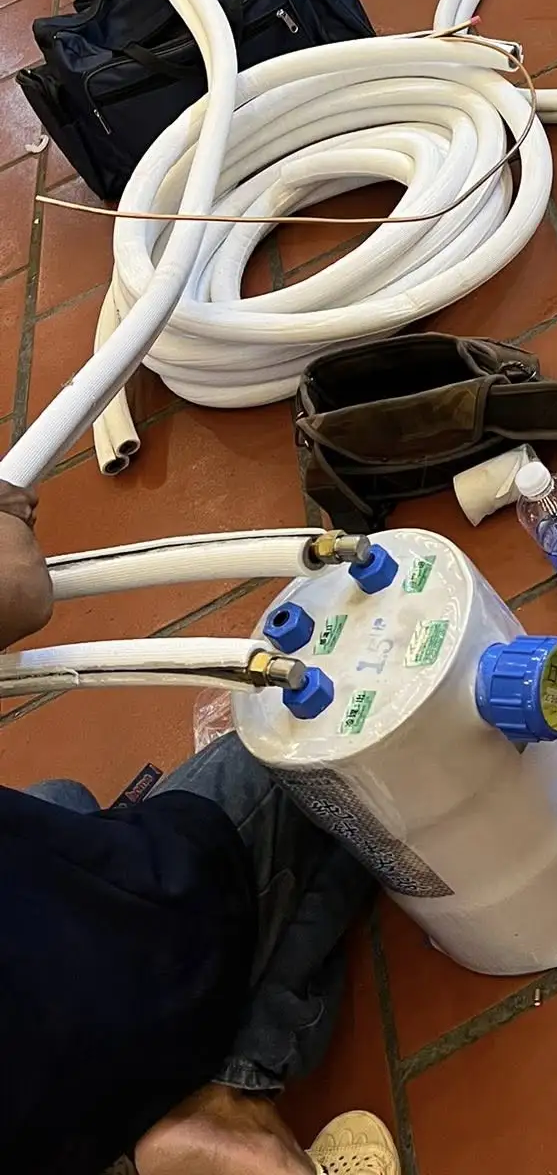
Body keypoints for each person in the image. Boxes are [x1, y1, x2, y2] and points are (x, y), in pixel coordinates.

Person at [0, 483, 399, 1175]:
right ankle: (230, 1103)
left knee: (56, 799)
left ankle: (126, 1134)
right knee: (335, 749)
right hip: (108, 1005)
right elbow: (15, 585)